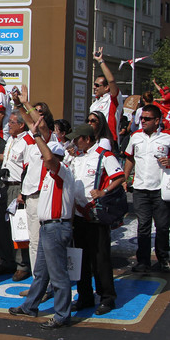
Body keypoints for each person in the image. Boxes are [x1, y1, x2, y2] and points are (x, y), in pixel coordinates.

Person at [8, 134, 75, 330]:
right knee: (41, 272)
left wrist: (37, 136)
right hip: (48, 227)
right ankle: (31, 306)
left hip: (55, 227)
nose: (44, 161)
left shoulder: (61, 171)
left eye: (48, 158)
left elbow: (49, 159)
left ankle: (62, 314)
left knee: (58, 275)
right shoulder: (49, 176)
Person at [67, 123, 124, 315]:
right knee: (81, 259)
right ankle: (85, 296)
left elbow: (120, 177)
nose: (75, 142)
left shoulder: (104, 155)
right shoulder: (77, 157)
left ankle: (107, 297)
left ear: (88, 139)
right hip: (78, 215)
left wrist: (103, 191)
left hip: (96, 215)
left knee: (100, 259)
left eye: (78, 139)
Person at [123, 104, 170, 273]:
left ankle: (163, 258)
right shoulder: (135, 137)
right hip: (140, 189)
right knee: (143, 226)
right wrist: (124, 178)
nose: (143, 121)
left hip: (160, 190)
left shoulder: (167, 138)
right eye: (142, 118)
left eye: (147, 119)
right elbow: (129, 158)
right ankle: (143, 262)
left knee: (163, 226)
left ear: (157, 121)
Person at [0, 112, 32, 280]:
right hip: (4, 185)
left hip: (17, 186)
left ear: (21, 124)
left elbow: (27, 167)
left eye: (12, 122)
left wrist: (23, 191)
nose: (9, 125)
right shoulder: (11, 140)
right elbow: (11, 160)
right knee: (1, 224)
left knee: (17, 226)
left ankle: (22, 264)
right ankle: (7, 260)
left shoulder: (27, 141)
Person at [89, 47, 122, 150]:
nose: (94, 87)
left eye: (97, 85)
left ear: (107, 87)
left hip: (110, 141)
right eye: (94, 85)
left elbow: (111, 81)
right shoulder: (94, 104)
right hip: (95, 141)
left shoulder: (113, 99)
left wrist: (100, 61)